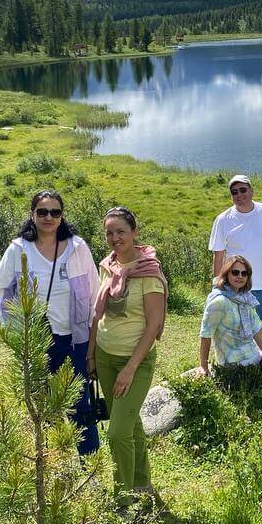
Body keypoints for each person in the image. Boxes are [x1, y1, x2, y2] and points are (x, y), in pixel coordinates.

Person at [0, 189, 102, 456]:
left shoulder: (77, 248)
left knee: (80, 405)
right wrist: (14, 333)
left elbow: (95, 291)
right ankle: (51, 464)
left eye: (55, 212)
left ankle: (90, 468)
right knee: (42, 406)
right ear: (32, 215)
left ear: (62, 217)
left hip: (74, 340)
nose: (48, 217)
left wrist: (94, 340)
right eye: (42, 212)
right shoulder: (19, 250)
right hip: (36, 341)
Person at [90, 207, 168, 506]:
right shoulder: (107, 266)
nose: (114, 238)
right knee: (131, 423)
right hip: (105, 355)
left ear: (134, 232)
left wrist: (130, 369)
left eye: (120, 231)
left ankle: (123, 496)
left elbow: (154, 326)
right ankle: (142, 483)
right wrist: (92, 353)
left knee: (117, 432)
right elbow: (98, 314)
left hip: (134, 361)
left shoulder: (148, 272)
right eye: (109, 232)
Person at [208, 175, 262, 349]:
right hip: (235, 289)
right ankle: (242, 371)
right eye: (234, 192)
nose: (239, 195)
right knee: (236, 334)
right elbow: (218, 256)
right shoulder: (223, 220)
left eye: (243, 190)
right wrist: (218, 286)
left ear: (252, 190)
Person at [198, 254, 262, 374]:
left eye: (244, 273)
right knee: (261, 358)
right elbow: (206, 334)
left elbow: (255, 329)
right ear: (226, 274)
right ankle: (253, 378)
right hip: (233, 356)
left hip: (245, 342)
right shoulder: (219, 301)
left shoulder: (245, 297)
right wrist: (203, 367)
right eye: (235, 272)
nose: (240, 276)